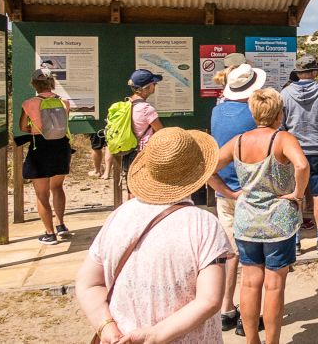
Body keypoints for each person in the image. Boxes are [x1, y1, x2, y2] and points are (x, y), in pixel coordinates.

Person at [75, 127, 232, 344]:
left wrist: (107, 326)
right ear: (199, 171)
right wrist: (156, 335)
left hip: (122, 337)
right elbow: (210, 299)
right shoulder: (203, 224)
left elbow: (88, 283)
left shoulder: (120, 215)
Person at [209, 87, 309, 344]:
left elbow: (208, 169)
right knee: (274, 286)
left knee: (251, 282)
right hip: (278, 222)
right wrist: (298, 194)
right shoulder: (283, 139)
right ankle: (272, 341)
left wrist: (230, 193)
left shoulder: (239, 141)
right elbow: (301, 165)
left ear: (253, 112)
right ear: (279, 113)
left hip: (247, 220)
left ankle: (251, 339)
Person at [209, 63, 267, 335]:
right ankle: (249, 316)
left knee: (231, 252)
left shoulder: (217, 112)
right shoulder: (254, 116)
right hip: (252, 194)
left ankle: (226, 309)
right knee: (253, 259)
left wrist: (227, 190)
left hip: (225, 192)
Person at [281, 54, 318, 254]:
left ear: (298, 72)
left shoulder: (285, 94)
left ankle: (296, 242)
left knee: (297, 196)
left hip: (293, 152)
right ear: (314, 72)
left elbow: (281, 125)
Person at [18, 68, 73, 245]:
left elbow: (23, 127)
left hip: (40, 147)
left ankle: (50, 234)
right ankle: (61, 225)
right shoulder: (64, 102)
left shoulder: (29, 103)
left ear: (34, 83)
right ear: (51, 82)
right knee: (57, 187)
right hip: (61, 146)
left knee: (42, 194)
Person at [121, 69, 164, 198]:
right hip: (143, 154)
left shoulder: (126, 104)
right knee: (145, 191)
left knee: (132, 190)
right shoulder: (147, 109)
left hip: (129, 153)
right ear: (146, 87)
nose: (155, 86)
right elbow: (162, 132)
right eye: (153, 84)